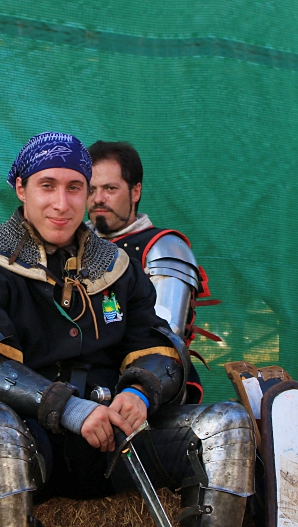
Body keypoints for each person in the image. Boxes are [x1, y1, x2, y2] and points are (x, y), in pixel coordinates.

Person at [0, 132, 255, 527]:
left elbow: (157, 342)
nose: (62, 203)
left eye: (75, 188)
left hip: (115, 441)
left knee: (227, 425)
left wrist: (141, 391)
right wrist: (67, 409)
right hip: (31, 442)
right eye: (47, 186)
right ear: (21, 189)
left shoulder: (116, 266)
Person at [87, 140, 219, 403]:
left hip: (146, 386)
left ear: (135, 191)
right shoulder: (71, 246)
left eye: (110, 188)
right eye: (91, 189)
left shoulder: (163, 248)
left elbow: (162, 338)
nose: (99, 198)